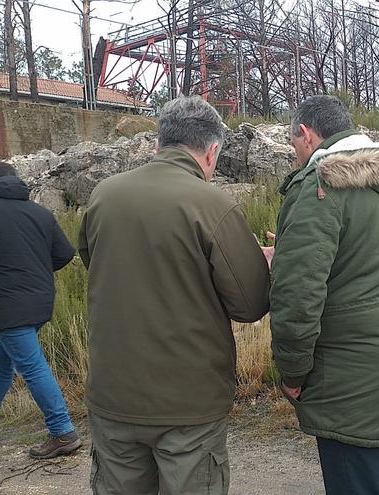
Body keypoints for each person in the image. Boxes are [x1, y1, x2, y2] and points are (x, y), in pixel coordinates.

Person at [78, 96, 270, 494]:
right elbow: (249, 304)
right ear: (212, 150)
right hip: (188, 402)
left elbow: (92, 261)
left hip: (113, 393)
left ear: (157, 144)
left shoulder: (103, 195)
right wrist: (264, 264)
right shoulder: (212, 203)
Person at [269, 94, 379, 495]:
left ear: (305, 133)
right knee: (368, 480)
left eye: (293, 146)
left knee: (354, 484)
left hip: (347, 363)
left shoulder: (321, 183)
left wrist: (292, 370)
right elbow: (359, 256)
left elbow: (298, 295)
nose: (295, 156)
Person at [0, 161, 80, 459]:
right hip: (40, 301)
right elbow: (65, 254)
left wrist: (1, 278)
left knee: (31, 366)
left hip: (9, 304)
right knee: (3, 361)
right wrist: (33, 272)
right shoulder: (40, 213)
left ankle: (62, 430)